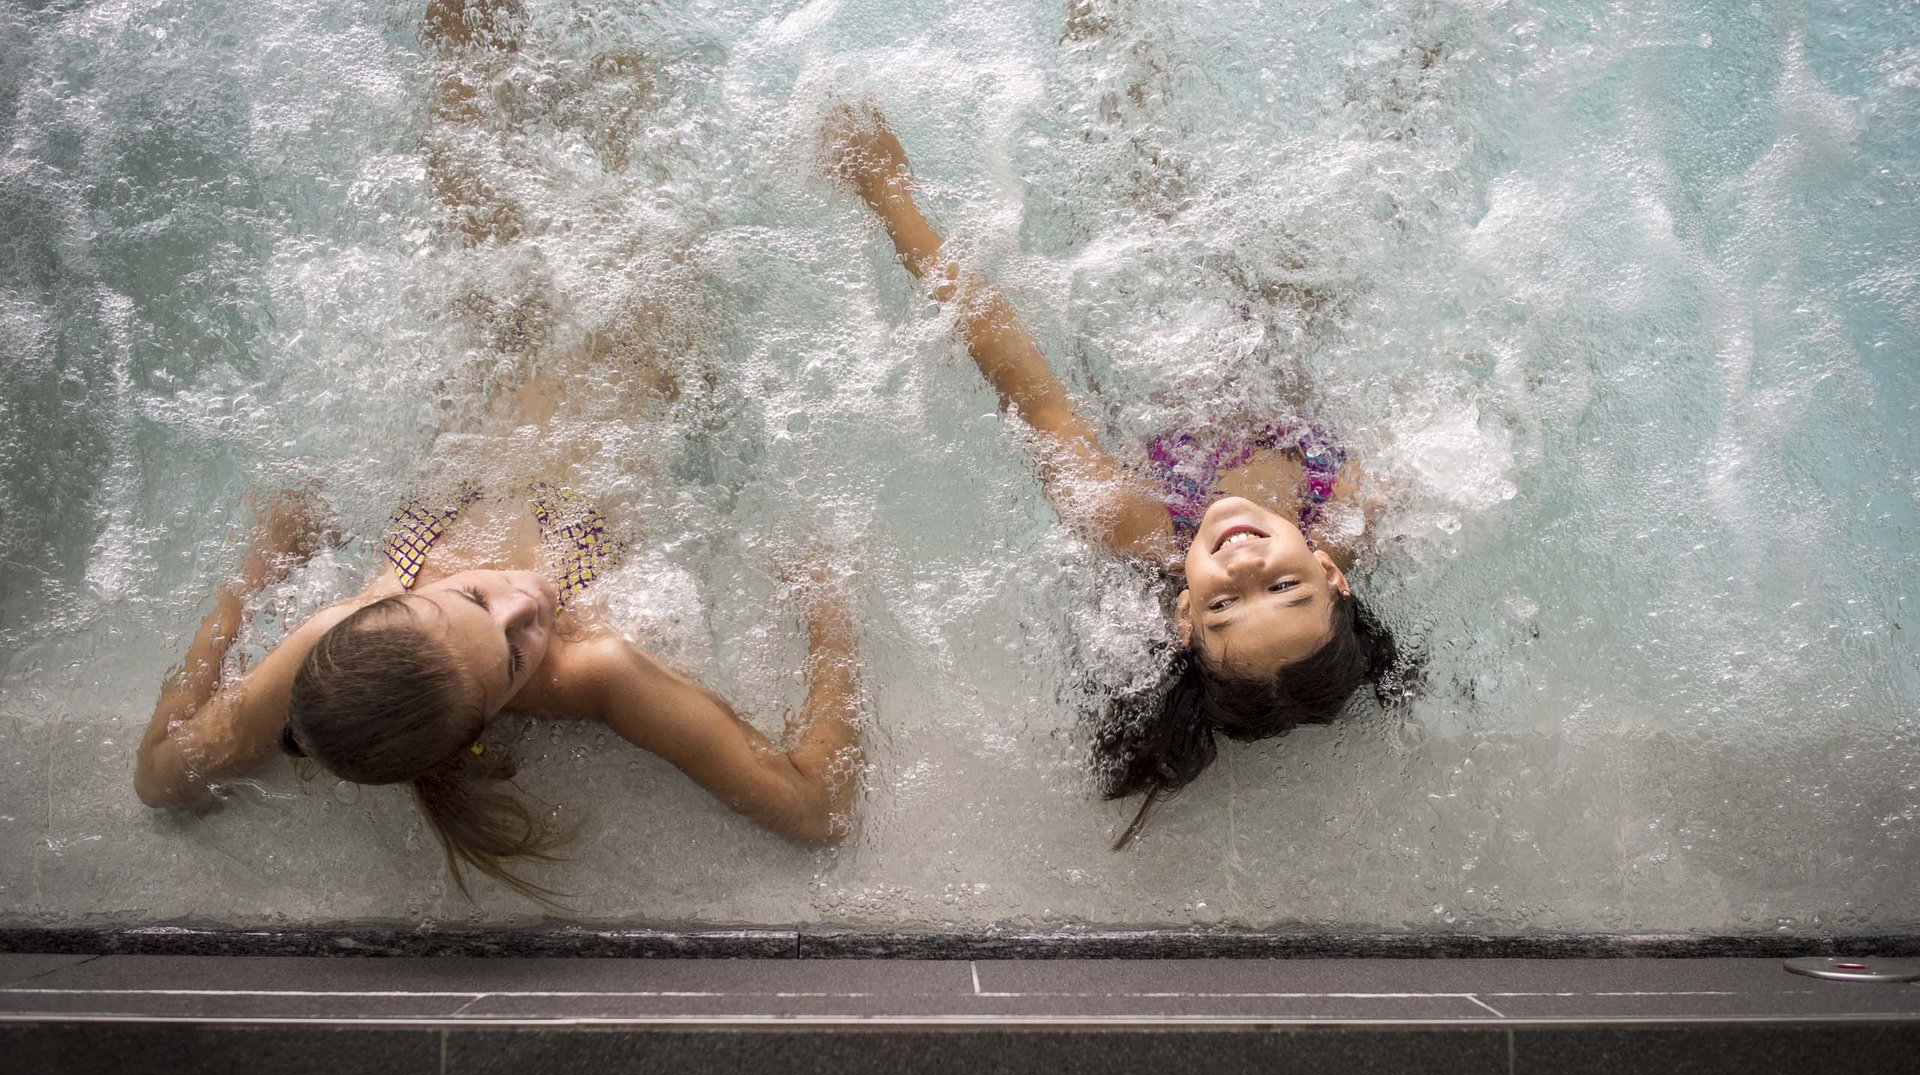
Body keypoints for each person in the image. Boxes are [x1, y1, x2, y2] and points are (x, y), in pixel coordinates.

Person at [132, 1, 867, 900]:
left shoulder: (338, 648)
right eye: (516, 656)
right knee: (637, 117)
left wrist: (254, 571)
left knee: (466, 106)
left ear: (374, 616)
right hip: (627, 372)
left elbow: (163, 777)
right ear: (481, 729)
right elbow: (812, 808)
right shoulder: (593, 670)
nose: (531, 602)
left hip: (492, 358)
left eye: (474, 599)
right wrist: (827, 615)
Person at [823, 104, 1402, 847]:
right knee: (1333, 217)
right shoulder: (1351, 516)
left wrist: (886, 192)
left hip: (1162, 323)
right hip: (1286, 324)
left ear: (1184, 615)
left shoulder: (1128, 519)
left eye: (1225, 603)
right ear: (1330, 571)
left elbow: (1016, 373)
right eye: (1284, 584)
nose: (1245, 562)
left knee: (1152, 194)